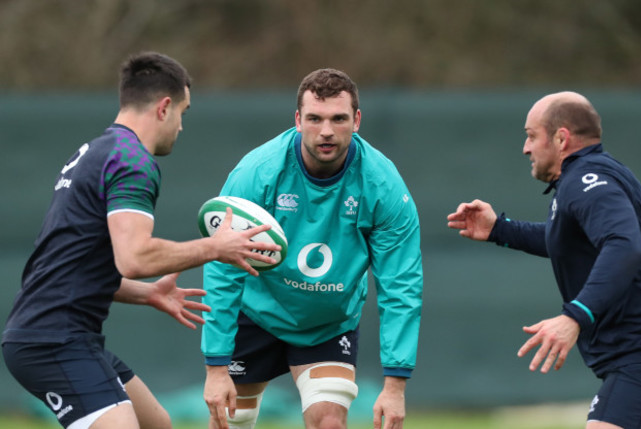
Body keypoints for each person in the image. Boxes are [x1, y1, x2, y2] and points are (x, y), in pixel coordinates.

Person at [2, 51, 281, 429]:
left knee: (158, 424)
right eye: (183, 112)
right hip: (52, 341)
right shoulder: (132, 162)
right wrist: (216, 248)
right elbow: (134, 257)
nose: (181, 126)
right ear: (165, 107)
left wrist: (148, 293)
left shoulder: (96, 152)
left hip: (63, 335)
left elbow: (77, 266)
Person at [201, 68, 423, 429]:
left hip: (327, 324)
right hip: (257, 313)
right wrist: (215, 367)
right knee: (231, 420)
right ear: (297, 120)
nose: (326, 131)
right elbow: (223, 267)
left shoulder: (382, 185)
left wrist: (395, 386)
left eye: (339, 119)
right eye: (315, 119)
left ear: (358, 120)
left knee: (330, 422)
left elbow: (401, 284)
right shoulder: (257, 173)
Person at [447, 91, 641, 429]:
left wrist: (575, 316)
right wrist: (499, 229)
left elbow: (624, 245)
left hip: (640, 356)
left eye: (531, 136)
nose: (526, 148)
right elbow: (570, 242)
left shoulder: (586, 181)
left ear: (561, 138)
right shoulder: (589, 176)